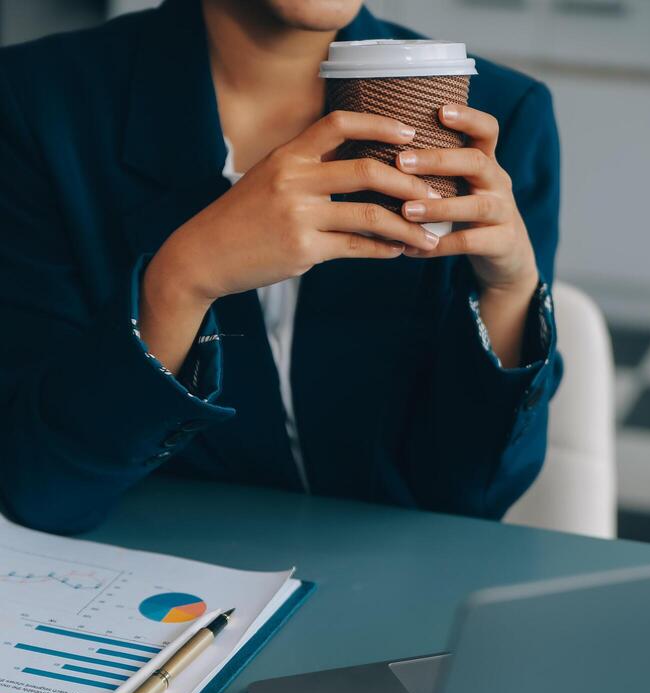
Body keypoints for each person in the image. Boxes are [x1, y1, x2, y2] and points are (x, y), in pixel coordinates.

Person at [0, 0, 561, 534]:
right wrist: (180, 280)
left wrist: (510, 293)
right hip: (153, 583)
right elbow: (43, 487)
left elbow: (473, 498)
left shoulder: (498, 114)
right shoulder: (36, 103)